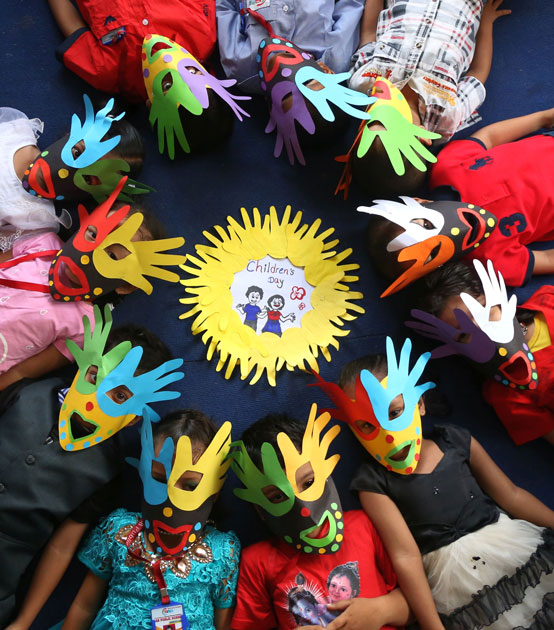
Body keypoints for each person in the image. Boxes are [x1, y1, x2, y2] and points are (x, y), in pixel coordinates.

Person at [315, 336, 554, 629]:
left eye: (394, 412)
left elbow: (512, 495)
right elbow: (406, 557)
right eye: (367, 425)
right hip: (458, 589)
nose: (388, 434)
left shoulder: (455, 440)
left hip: (513, 551)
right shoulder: (372, 483)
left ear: (421, 404)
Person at [2, 307, 185, 628]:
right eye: (95, 377)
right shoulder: (24, 392)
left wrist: (24, 620)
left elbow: (61, 548)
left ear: (136, 416)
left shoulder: (105, 472)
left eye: (120, 395)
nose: (98, 399)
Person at [229, 406, 413, 630]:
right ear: (260, 509)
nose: (304, 509)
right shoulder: (257, 563)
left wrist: (380, 611)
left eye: (308, 483)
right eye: (278, 496)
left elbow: (416, 601)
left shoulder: (364, 524)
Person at [54, 409, 239, 630]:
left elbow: (224, 623)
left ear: (215, 490)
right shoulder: (119, 531)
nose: (172, 496)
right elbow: (85, 606)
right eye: (159, 479)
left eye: (190, 486)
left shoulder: (222, 551)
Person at [0, 176, 185, 391]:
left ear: (125, 286)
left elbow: (22, 372)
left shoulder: (86, 327)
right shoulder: (45, 244)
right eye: (94, 234)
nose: (89, 255)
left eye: (113, 256)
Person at [344, 0, 511, 196]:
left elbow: (369, 35)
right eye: (393, 119)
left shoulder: (364, 81)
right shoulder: (447, 115)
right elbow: (477, 73)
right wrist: (486, 23)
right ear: (422, 135)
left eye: (371, 119)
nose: (382, 103)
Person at [48, 1, 251, 158]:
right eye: (192, 72)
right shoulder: (202, 33)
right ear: (208, 72)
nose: (167, 60)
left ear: (151, 104)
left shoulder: (110, 72)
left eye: (168, 84)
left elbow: (71, 24)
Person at [408, 258, 554, 446]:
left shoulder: (547, 300)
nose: (482, 332)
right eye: (463, 335)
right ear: (454, 350)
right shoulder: (507, 395)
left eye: (482, 311)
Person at [0, 97, 148, 250]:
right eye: (77, 152)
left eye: (88, 179)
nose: (62, 173)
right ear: (70, 135)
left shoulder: (38, 222)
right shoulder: (14, 132)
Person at [429, 106, 554, 286]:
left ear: (419, 201)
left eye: (427, 225)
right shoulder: (489, 261)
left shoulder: (445, 169)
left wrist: (543, 118)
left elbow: (488, 137)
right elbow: (548, 259)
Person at [215, 0, 365, 94]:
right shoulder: (336, 55)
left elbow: (224, 8)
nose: (289, 78)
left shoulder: (243, 67)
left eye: (287, 95)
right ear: (326, 71)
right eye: (305, 83)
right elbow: (351, 5)